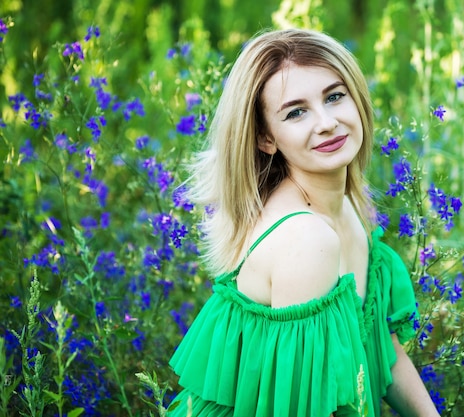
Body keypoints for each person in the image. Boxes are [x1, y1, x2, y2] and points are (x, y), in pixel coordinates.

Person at [167, 28, 441, 417]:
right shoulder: (306, 239)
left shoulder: (343, 208)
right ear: (266, 138)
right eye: (296, 112)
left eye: (334, 96)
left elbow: (382, 349)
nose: (327, 122)